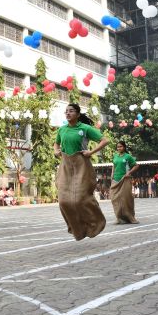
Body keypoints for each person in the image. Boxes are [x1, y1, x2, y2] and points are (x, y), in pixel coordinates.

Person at [54, 103, 109, 241]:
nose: (68, 113)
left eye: (71, 111)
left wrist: (91, 151)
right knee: (64, 201)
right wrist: (56, 151)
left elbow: (104, 140)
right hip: (65, 165)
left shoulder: (85, 128)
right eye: (66, 111)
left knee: (79, 199)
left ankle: (96, 222)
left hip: (81, 165)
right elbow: (56, 143)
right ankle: (77, 229)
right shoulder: (62, 129)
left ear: (78, 114)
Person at [110, 141, 139, 224]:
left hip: (125, 180)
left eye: (121, 146)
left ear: (124, 147)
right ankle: (119, 218)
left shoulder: (128, 156)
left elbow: (136, 165)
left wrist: (129, 173)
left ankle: (131, 218)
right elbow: (114, 165)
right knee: (114, 198)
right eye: (118, 147)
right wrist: (112, 173)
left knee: (126, 198)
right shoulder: (115, 156)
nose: (119, 148)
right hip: (115, 180)